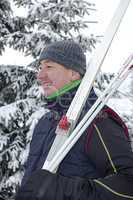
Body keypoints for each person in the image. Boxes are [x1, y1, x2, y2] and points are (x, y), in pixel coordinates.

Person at [15, 40, 133, 200]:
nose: (40, 75)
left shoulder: (97, 120)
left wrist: (64, 189)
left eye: (49, 67)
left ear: (74, 73)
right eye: (40, 67)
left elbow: (127, 185)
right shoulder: (46, 121)